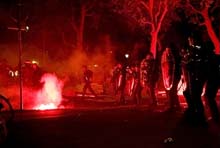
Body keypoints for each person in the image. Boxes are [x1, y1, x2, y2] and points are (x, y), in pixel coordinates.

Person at [180, 34, 210, 126]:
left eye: (191, 40)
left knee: (196, 96)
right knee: (188, 94)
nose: (190, 41)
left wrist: (189, 62)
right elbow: (186, 61)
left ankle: (200, 117)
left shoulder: (199, 49)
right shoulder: (191, 50)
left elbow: (198, 62)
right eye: (189, 40)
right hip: (191, 77)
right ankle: (193, 112)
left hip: (197, 77)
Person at [162, 45, 181, 112]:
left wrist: (169, 75)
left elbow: (170, 67)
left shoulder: (172, 57)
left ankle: (172, 106)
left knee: (172, 91)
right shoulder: (173, 56)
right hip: (173, 75)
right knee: (172, 91)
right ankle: (175, 105)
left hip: (173, 75)